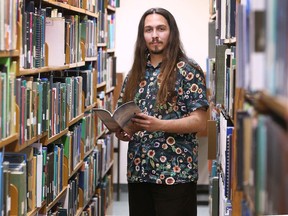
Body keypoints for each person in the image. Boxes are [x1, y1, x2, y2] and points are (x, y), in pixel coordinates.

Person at [115, 7, 209, 216]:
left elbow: (200, 122)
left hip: (176, 175)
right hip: (139, 172)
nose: (155, 35)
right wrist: (123, 130)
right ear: (142, 35)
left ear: (171, 32)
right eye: (148, 30)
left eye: (161, 29)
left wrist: (159, 125)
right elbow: (126, 115)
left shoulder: (188, 69)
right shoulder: (134, 73)